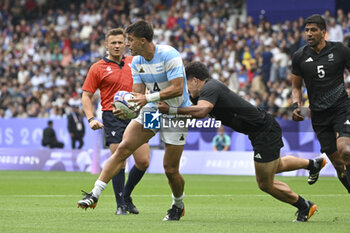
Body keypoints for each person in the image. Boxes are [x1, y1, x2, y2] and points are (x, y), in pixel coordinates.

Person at [158, 61, 326, 222]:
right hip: (259, 130)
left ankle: (304, 206)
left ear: (195, 80)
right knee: (276, 165)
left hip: (264, 131)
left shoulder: (210, 87)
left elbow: (201, 111)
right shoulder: (201, 95)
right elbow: (189, 108)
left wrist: (171, 110)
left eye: (187, 83)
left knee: (265, 183)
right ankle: (312, 164)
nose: (186, 88)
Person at [77, 21, 192, 221]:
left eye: (129, 40)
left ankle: (178, 204)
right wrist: (128, 109)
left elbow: (176, 88)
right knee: (124, 149)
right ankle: (94, 193)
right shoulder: (138, 62)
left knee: (170, 169)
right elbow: (137, 94)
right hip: (154, 111)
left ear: (143, 40)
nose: (127, 44)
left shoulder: (169, 54)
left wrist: (147, 99)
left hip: (176, 112)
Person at [80, 28, 150, 215]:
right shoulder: (97, 68)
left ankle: (126, 195)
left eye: (120, 42)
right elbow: (86, 96)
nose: (117, 46)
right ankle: (120, 205)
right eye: (113, 43)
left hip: (138, 114)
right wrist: (91, 118)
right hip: (114, 116)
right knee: (120, 160)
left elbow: (148, 84)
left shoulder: (135, 62)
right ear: (106, 45)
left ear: (125, 44)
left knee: (143, 162)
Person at [291, 14, 350, 193]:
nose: (309, 34)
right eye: (307, 30)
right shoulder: (299, 56)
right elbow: (296, 87)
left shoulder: (340, 50)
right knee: (339, 165)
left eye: (313, 30)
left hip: (342, 109)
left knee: (345, 150)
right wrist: (296, 105)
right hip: (318, 116)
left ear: (323, 32)